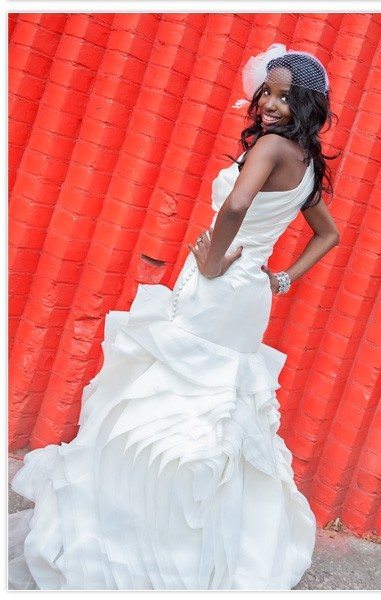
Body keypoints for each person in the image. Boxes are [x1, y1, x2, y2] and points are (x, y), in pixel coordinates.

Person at [9, 44, 341, 590]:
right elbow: (329, 235)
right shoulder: (305, 163)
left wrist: (210, 262)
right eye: (268, 93)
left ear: (305, 104)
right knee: (215, 405)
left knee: (172, 393)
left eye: (286, 97)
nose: (272, 105)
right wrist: (281, 278)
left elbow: (233, 208)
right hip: (250, 293)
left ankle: (140, 530)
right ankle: (191, 532)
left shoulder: (273, 147)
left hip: (218, 288)